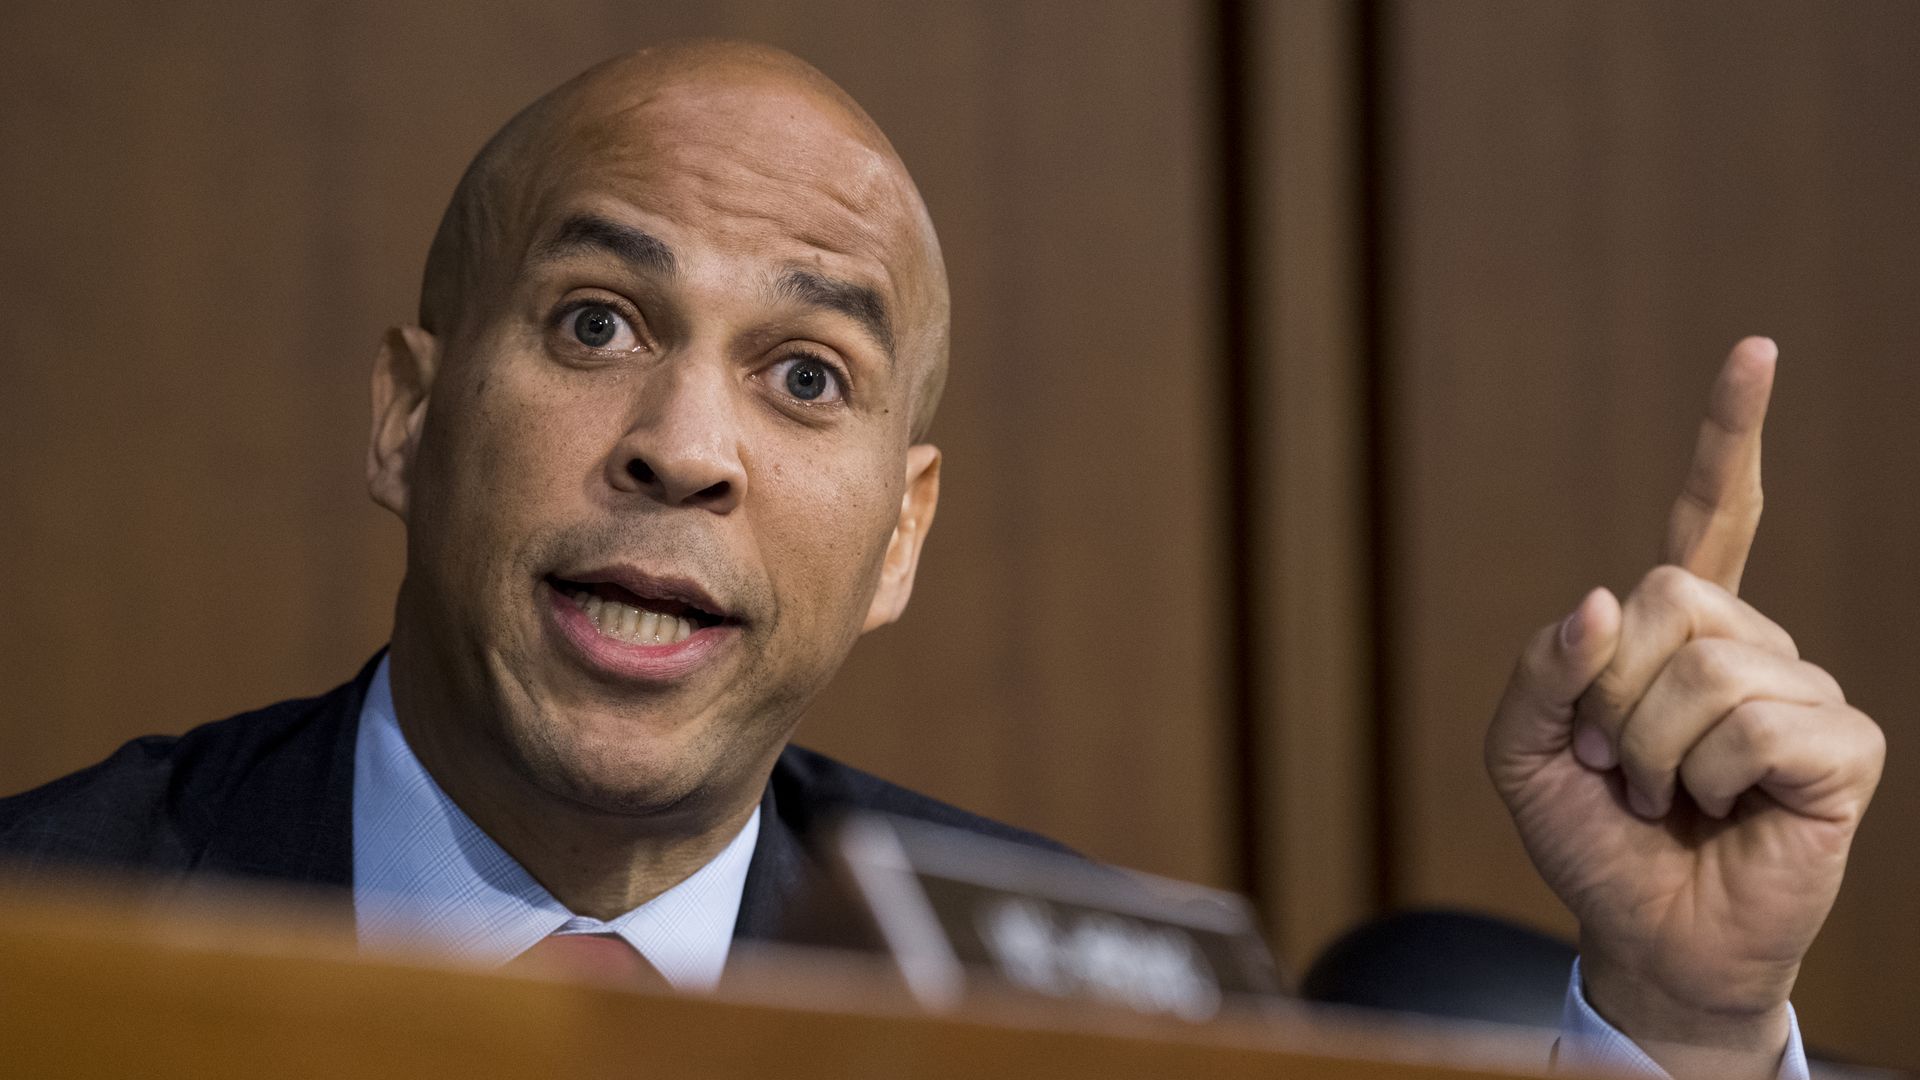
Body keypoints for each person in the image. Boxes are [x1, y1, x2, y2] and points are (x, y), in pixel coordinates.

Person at [0, 40, 1882, 1080]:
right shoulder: (43, 944)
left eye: (804, 374)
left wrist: (1689, 1022)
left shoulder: (1077, 1023)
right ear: (410, 416)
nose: (686, 443)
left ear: (900, 538)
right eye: (591, 326)